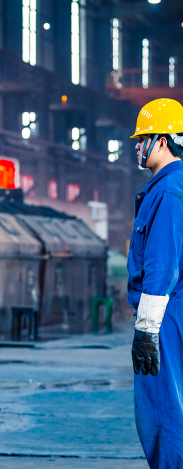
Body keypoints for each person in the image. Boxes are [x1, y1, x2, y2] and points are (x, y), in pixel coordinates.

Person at [128, 98, 183, 468]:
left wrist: (147, 329)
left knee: (164, 413)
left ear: (162, 140)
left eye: (142, 137)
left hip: (166, 317)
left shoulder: (167, 190)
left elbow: (162, 263)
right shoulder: (172, 186)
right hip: (173, 310)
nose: (135, 145)